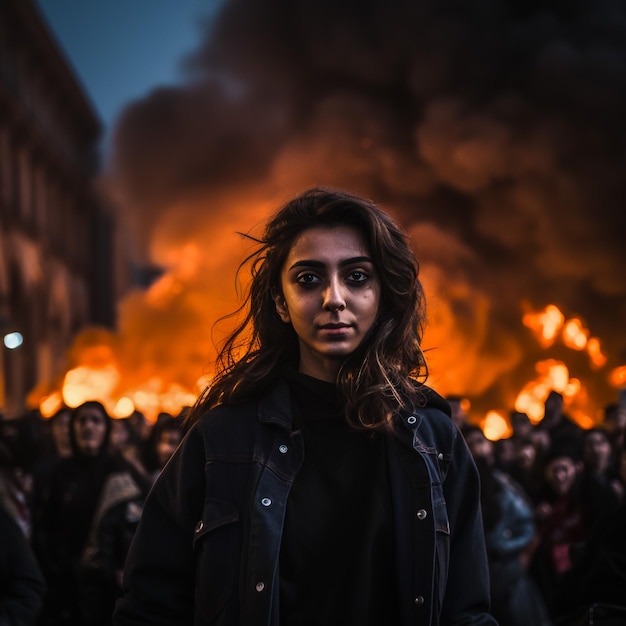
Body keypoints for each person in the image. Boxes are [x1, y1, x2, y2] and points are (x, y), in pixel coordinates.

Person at [114, 187, 497, 625]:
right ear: (280, 301)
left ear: (382, 294)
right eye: (308, 279)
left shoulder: (435, 442)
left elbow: (466, 610)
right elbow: (149, 605)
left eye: (356, 277)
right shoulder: (223, 440)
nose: (334, 298)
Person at [32, 401, 144, 625]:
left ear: (106, 428)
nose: (88, 427)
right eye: (82, 420)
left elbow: (136, 526)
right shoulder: (58, 474)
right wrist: (58, 567)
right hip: (66, 587)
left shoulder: (122, 472)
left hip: (109, 588)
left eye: (96, 420)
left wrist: (122, 566)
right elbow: (44, 528)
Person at [463, 426, 549, 626]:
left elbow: (526, 523)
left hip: (505, 570)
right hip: (477, 573)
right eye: (471, 442)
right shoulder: (458, 483)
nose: (477, 448)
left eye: (480, 441)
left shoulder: (502, 483)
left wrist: (501, 545)